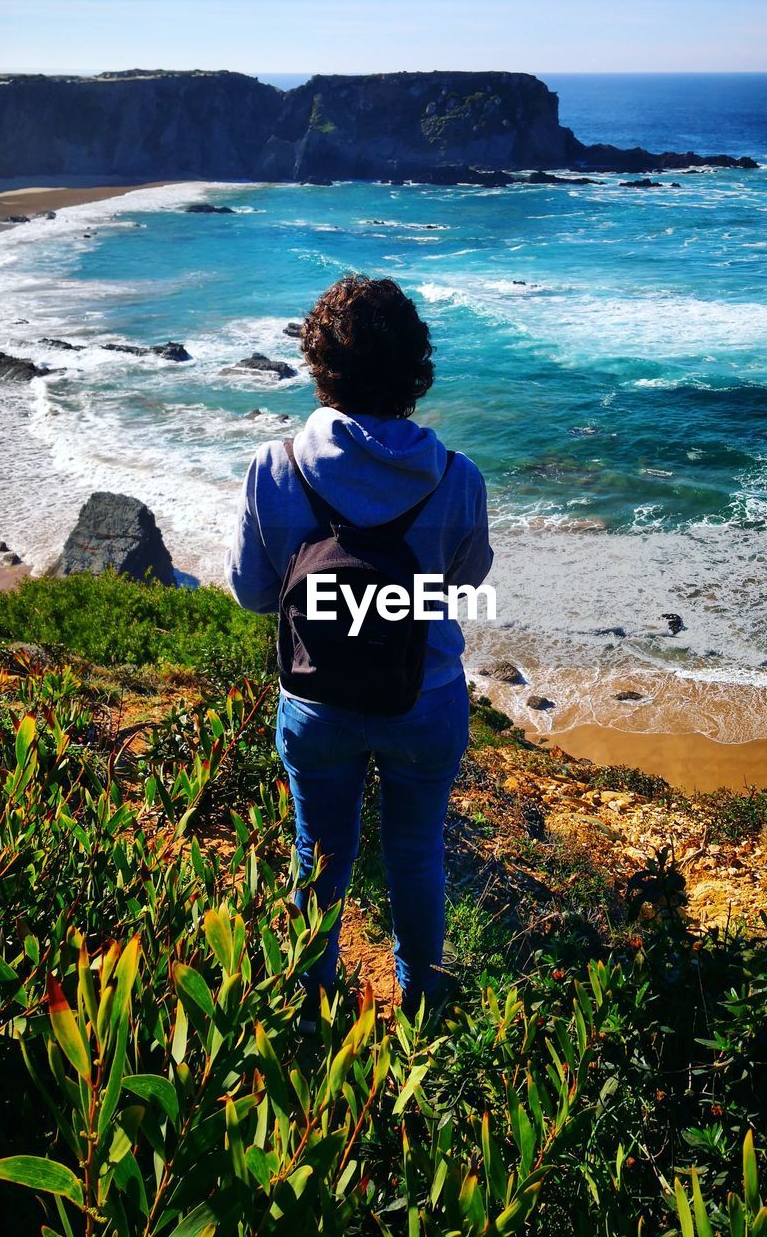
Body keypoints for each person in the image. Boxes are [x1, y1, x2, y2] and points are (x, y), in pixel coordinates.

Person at [225, 273, 492, 1017]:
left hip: (316, 696)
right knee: (415, 855)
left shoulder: (274, 468)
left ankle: (312, 1010)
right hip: (425, 694)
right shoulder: (457, 478)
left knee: (319, 856)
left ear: (319, 365)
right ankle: (423, 1009)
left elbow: (251, 593)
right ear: (415, 370)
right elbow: (465, 581)